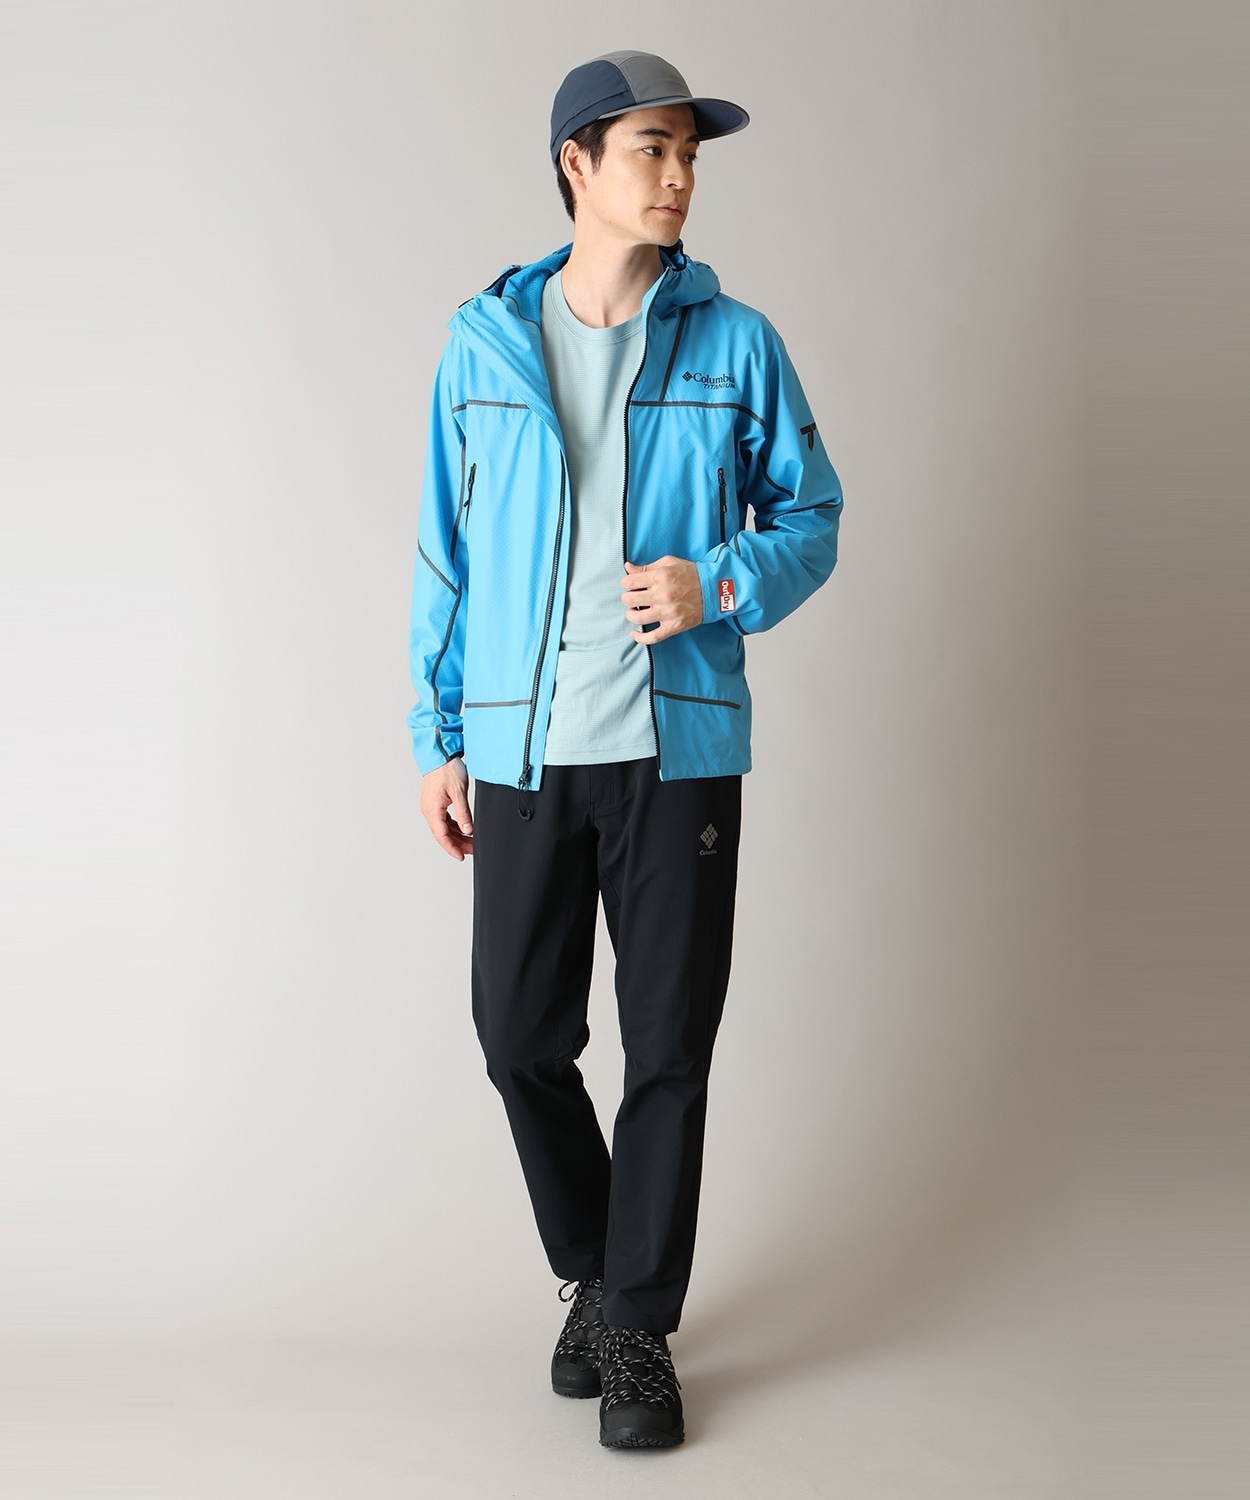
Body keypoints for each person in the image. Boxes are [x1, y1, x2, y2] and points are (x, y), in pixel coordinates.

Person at [407, 50, 844, 1449]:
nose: (679, 177)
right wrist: (437, 734)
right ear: (576, 165)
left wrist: (718, 583)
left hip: (678, 754)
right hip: (523, 752)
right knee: (516, 1036)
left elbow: (812, 516)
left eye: (689, 154)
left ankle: (637, 1329)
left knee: (668, 1047)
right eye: (652, 149)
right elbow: (445, 554)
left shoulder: (736, 341)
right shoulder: (481, 345)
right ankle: (596, 1276)